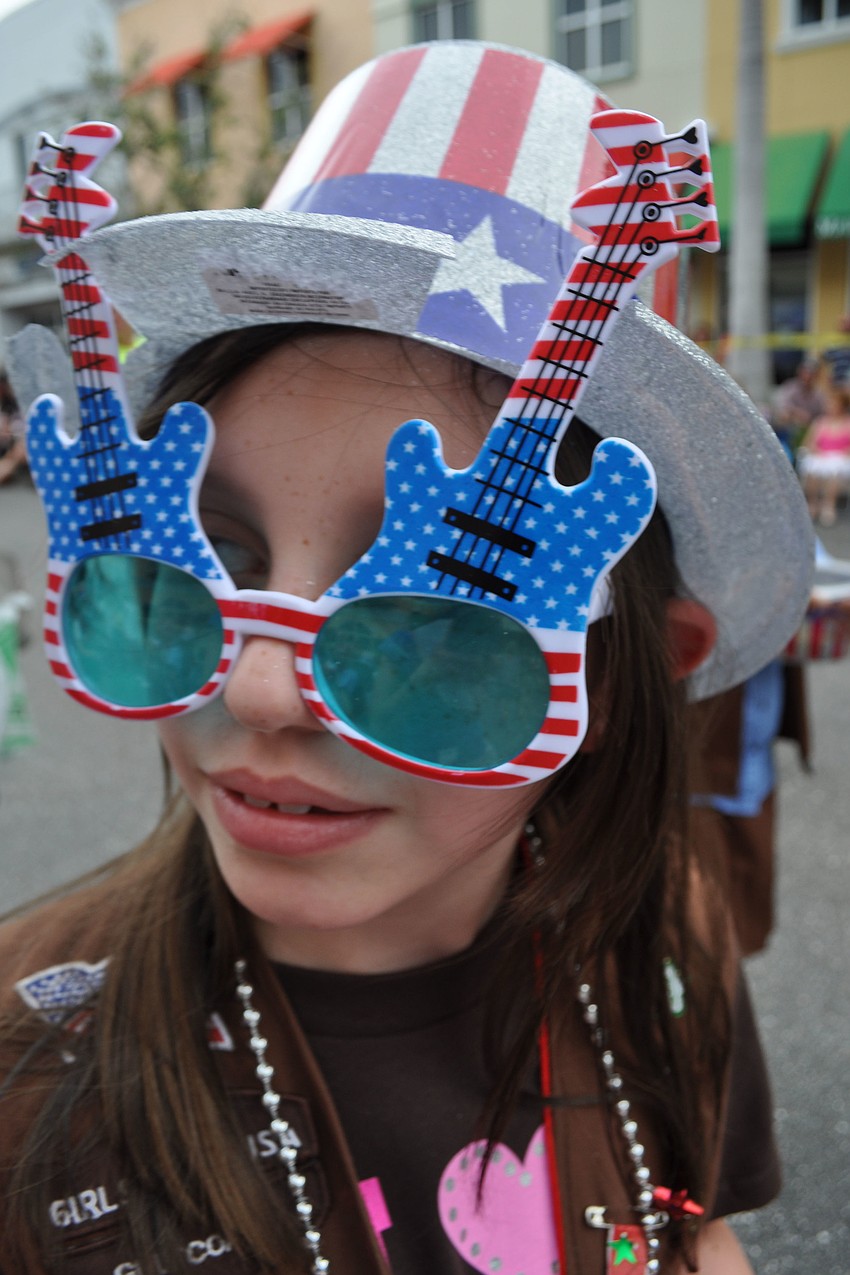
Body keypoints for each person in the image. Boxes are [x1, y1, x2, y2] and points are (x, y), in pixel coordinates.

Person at [0, 42, 813, 1275]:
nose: (259, 687)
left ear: (623, 675)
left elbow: (696, 1228)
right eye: (196, 562)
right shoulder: (21, 1048)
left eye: (440, 618)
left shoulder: (669, 942)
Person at [797, 384, 850, 525]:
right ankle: (812, 503)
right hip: (822, 455)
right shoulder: (820, 422)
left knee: (834, 469)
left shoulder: (848, 423)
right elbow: (809, 442)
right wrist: (814, 449)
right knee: (812, 467)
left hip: (840, 457)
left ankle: (828, 506)